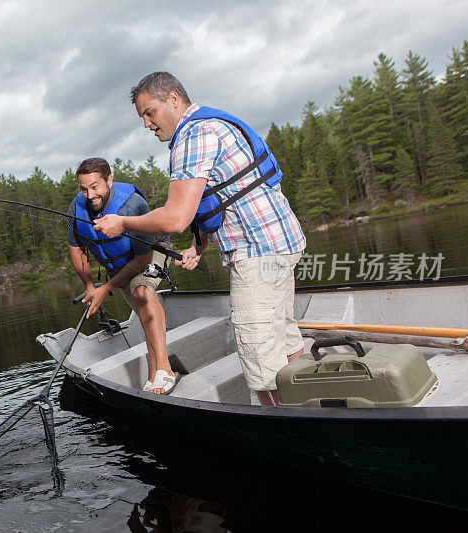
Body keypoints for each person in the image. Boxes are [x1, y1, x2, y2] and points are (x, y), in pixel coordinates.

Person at [92, 72, 306, 406]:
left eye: (150, 113)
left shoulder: (192, 135)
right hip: (281, 244)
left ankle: (292, 432)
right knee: (286, 338)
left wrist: (122, 222)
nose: (147, 124)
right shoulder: (212, 123)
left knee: (262, 361)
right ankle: (306, 404)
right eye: (142, 117)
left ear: (173, 99)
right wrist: (199, 245)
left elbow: (175, 218)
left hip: (257, 253)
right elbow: (218, 199)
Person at [68, 157, 177, 394]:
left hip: (150, 255)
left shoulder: (133, 204)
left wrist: (105, 288)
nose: (89, 195)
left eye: (95, 186)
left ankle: (166, 370)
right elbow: (77, 250)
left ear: (109, 180)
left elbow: (143, 260)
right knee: (142, 311)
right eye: (84, 189)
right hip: (118, 268)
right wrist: (89, 285)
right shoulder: (77, 208)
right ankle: (153, 373)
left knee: (142, 293)